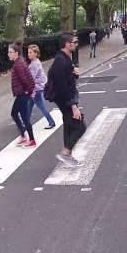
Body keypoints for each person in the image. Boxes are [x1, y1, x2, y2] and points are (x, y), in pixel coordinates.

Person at [47, 33, 86, 167]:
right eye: (74, 42)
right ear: (67, 44)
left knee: (69, 124)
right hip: (65, 99)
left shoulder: (64, 59)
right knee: (80, 126)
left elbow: (66, 80)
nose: (76, 44)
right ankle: (66, 152)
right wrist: (73, 105)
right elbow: (63, 86)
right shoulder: (61, 61)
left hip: (64, 99)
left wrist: (74, 74)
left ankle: (67, 154)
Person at [8, 42, 36, 148]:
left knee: (17, 114)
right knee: (21, 116)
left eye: (10, 52)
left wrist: (29, 91)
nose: (8, 54)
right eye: (8, 52)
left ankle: (29, 139)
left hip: (22, 94)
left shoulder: (18, 64)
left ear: (16, 53)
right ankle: (25, 136)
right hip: (23, 94)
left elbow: (25, 80)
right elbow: (28, 79)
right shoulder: (20, 62)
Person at [26, 44, 56, 130]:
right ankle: (26, 122)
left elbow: (31, 78)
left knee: (41, 107)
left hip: (37, 89)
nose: (29, 54)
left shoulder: (34, 64)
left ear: (36, 53)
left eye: (31, 52)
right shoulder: (35, 62)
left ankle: (51, 122)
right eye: (28, 53)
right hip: (37, 88)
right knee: (29, 106)